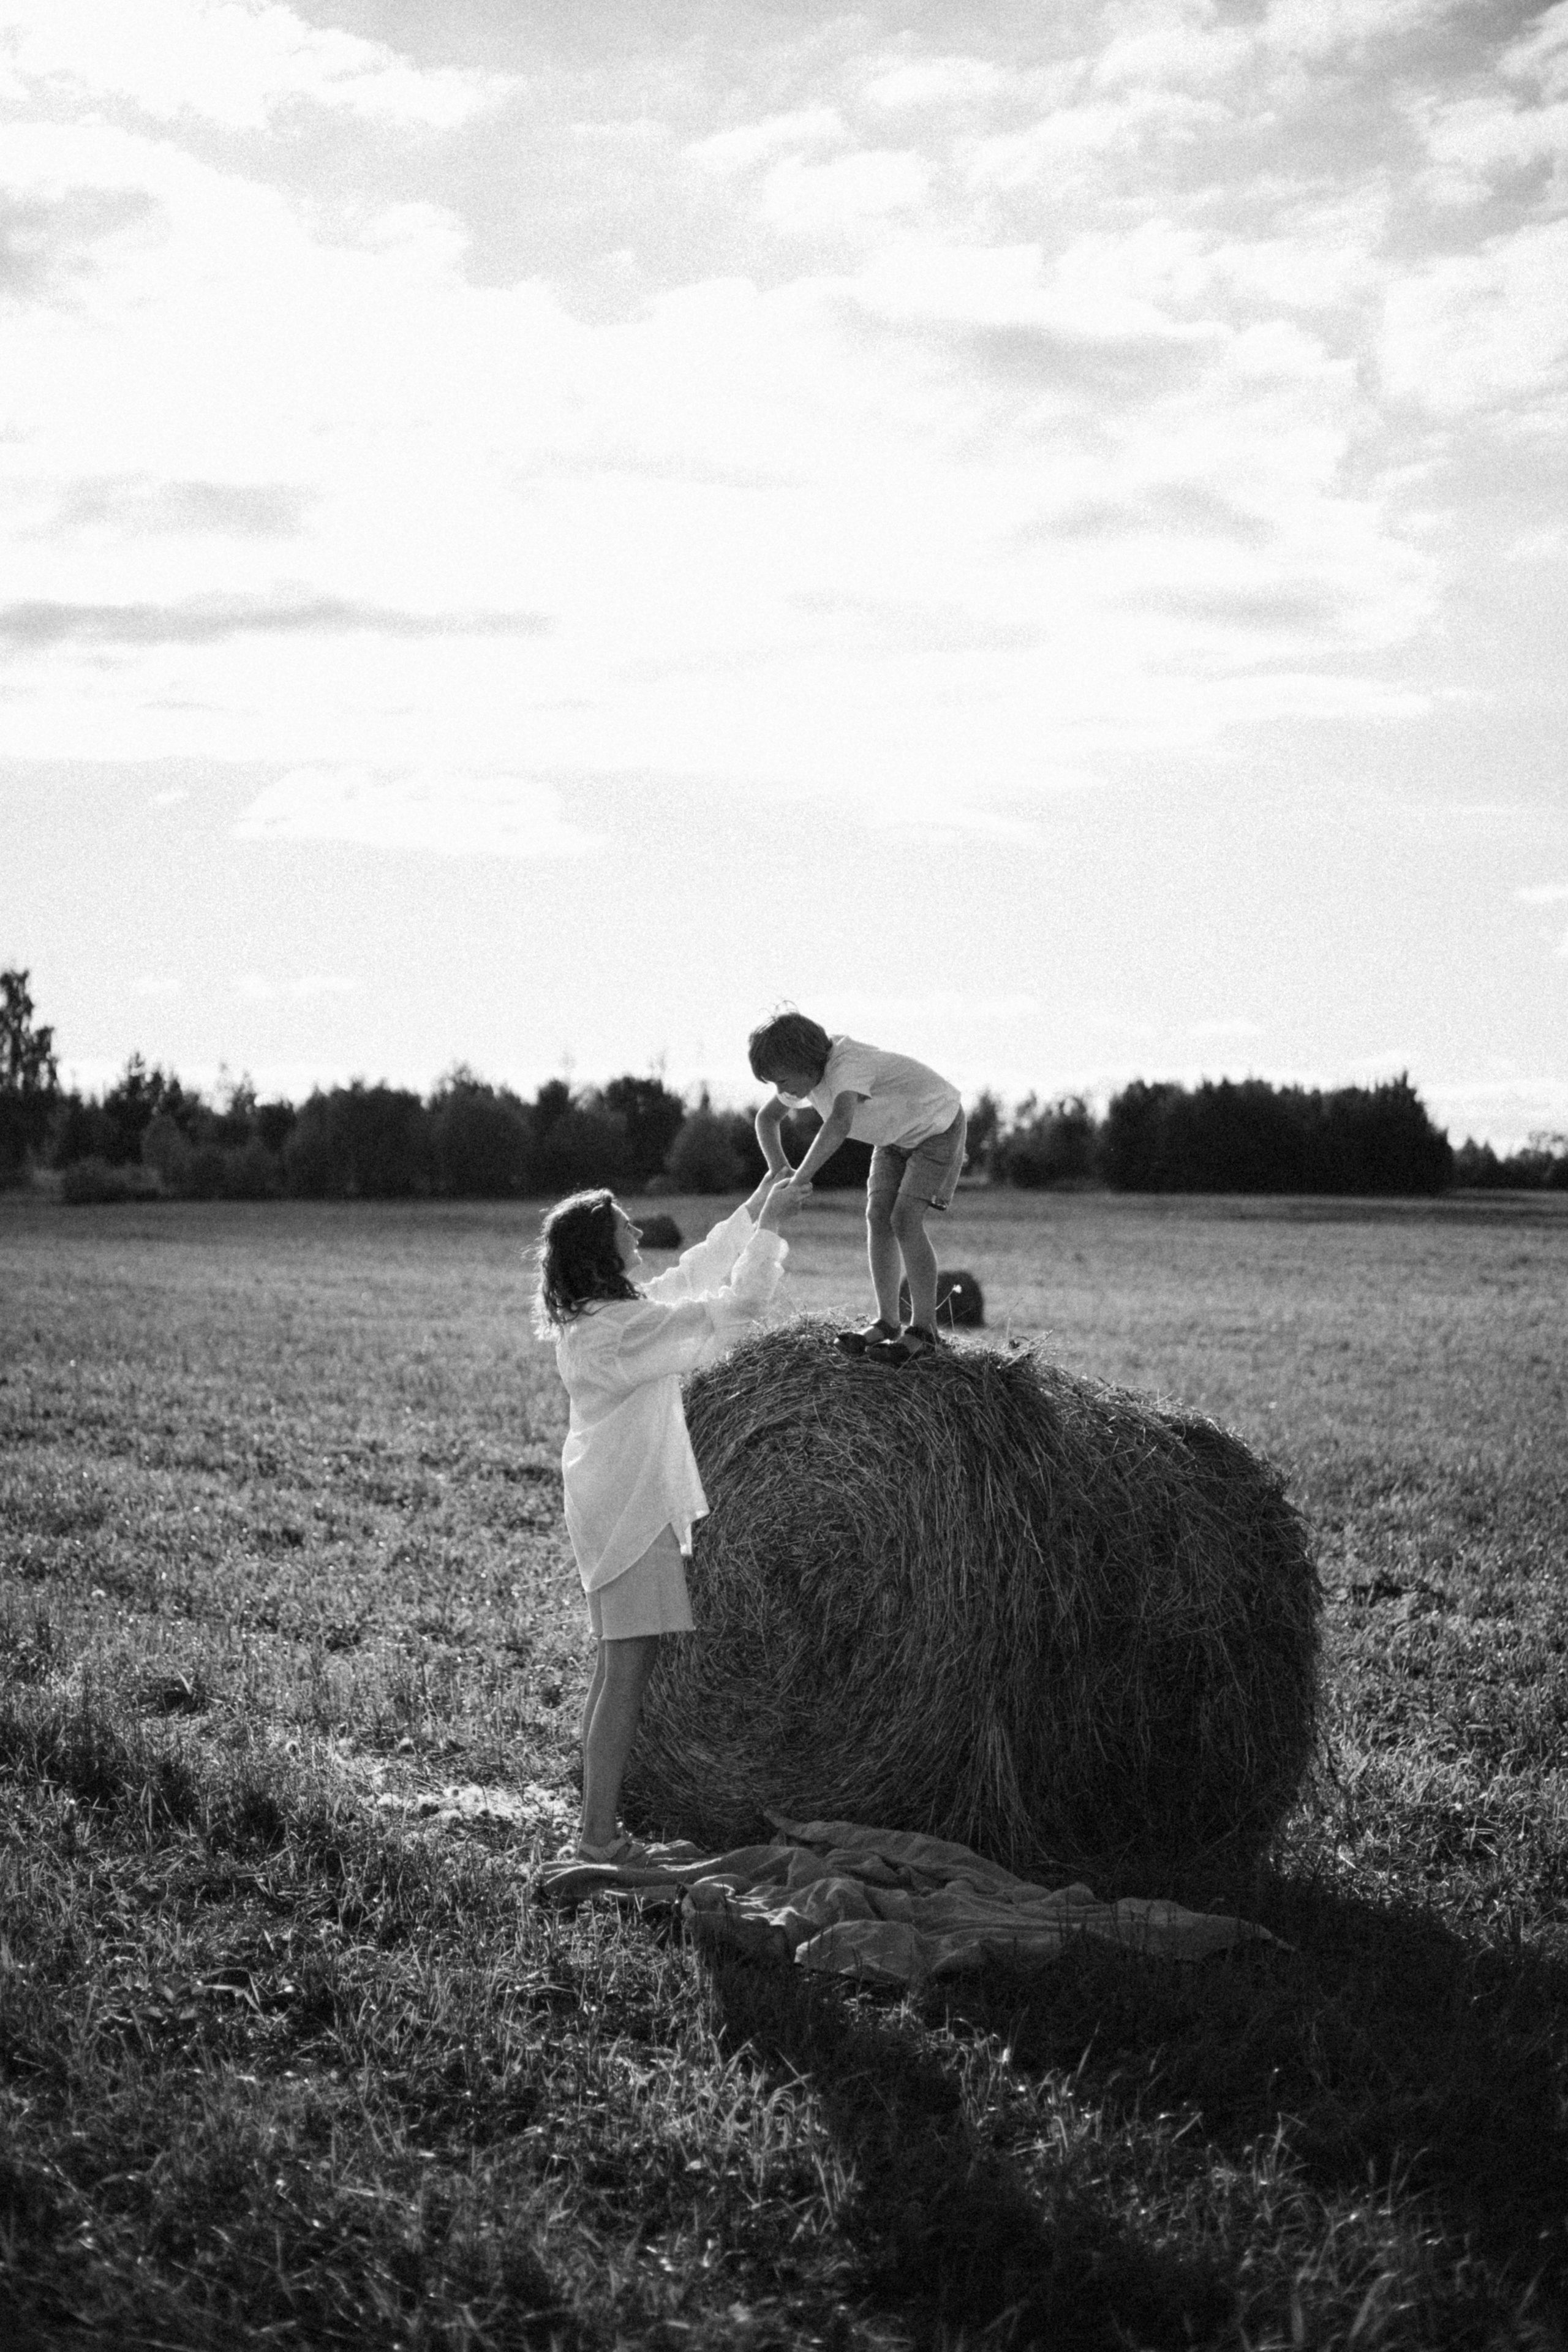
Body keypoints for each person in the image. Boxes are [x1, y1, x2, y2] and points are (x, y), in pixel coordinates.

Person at [535, 1172, 798, 1864]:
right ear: (600, 1243)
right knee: (625, 1673)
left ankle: (597, 1830)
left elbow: (695, 1272)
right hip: (629, 1511)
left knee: (613, 1668)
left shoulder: (605, 1317)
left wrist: (760, 1201)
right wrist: (772, 1232)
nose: (638, 1228)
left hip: (613, 1502)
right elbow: (737, 1305)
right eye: (623, 1220)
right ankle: (596, 1838)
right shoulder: (621, 1329)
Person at [748, 1010, 966, 1366]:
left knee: (905, 1219)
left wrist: (800, 1179)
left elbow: (839, 1124)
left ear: (806, 1064)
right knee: (878, 1216)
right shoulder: (804, 1077)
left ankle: (926, 1332)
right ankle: (888, 1322)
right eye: (773, 1084)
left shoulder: (846, 1064)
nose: (781, 1092)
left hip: (938, 1128)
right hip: (893, 1139)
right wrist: (779, 1170)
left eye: (783, 1080)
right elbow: (766, 1119)